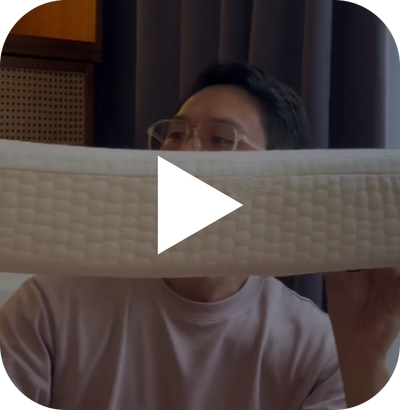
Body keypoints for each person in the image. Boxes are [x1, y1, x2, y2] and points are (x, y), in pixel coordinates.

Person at [0, 62, 398, 410]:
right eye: (175, 135)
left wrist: (364, 363)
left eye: (221, 140)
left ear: (282, 183)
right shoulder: (49, 307)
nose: (182, 156)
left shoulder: (318, 349)